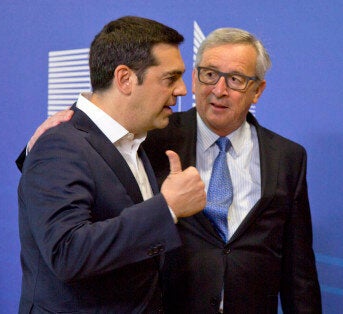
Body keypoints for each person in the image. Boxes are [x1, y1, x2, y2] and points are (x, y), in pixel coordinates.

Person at [19, 27, 322, 313]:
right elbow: (87, 157)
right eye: (209, 74)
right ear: (195, 78)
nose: (218, 90)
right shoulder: (151, 137)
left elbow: (299, 269)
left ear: (257, 90)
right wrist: (36, 146)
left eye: (235, 79)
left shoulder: (287, 156)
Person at [16, 16, 206, 313]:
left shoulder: (137, 138)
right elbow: (67, 253)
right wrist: (167, 208)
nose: (183, 90)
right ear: (125, 79)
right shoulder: (60, 145)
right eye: (170, 78)